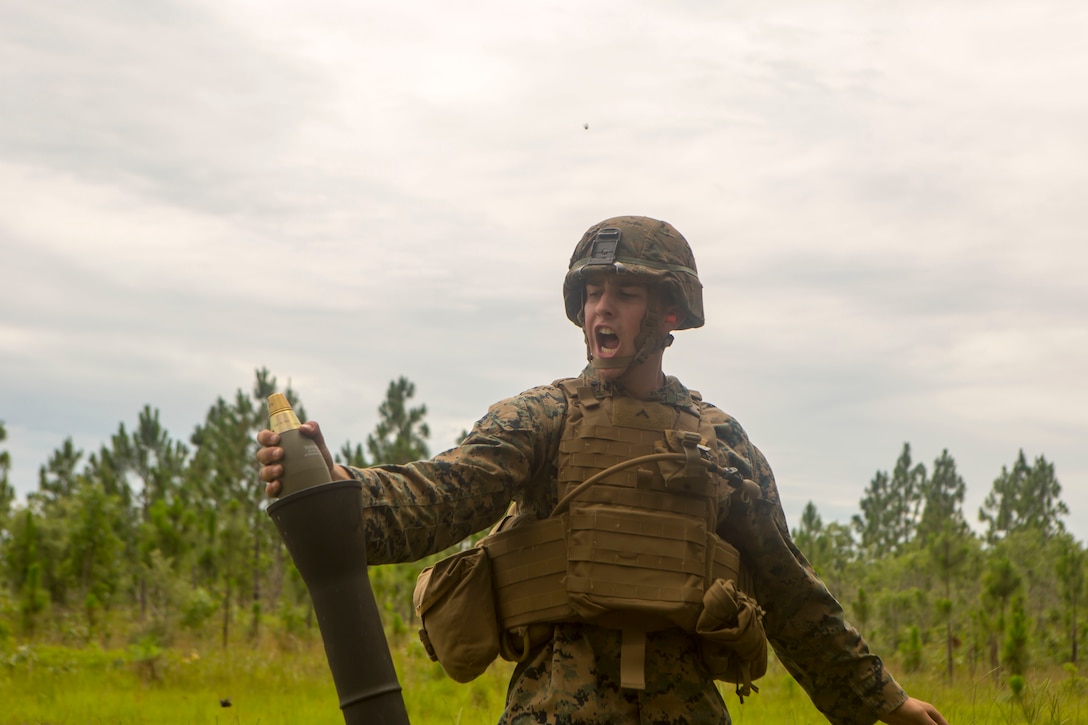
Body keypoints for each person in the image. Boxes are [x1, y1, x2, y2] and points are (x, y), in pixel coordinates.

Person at [257, 216, 949, 725]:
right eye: (592, 292)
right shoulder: (542, 417)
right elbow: (442, 494)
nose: (600, 308)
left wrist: (887, 701)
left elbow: (792, 595)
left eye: (624, 292)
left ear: (669, 309)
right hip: (553, 712)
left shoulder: (722, 444)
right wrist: (339, 489)